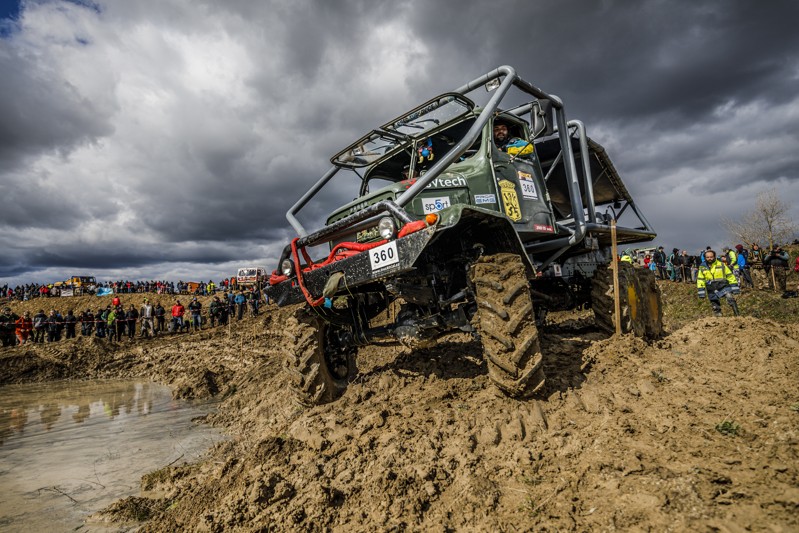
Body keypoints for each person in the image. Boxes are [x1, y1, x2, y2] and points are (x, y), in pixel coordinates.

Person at [697, 249, 740, 317]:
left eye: (711, 257)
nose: (709, 258)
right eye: (707, 257)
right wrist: (701, 292)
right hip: (711, 287)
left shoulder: (721, 264)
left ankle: (737, 315)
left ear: (714, 256)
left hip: (723, 285)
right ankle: (719, 318)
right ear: (705, 258)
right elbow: (700, 279)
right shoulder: (702, 267)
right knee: (714, 304)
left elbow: (730, 276)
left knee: (730, 297)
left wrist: (735, 288)